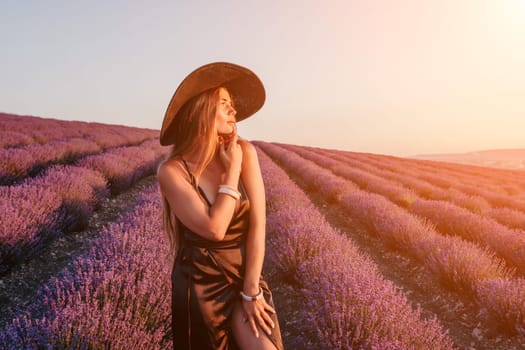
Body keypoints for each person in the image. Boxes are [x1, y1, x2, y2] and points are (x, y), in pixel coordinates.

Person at [157, 62, 284, 350]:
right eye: (224, 103)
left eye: (232, 104)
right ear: (202, 110)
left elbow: (258, 225)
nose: (234, 111)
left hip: (244, 274)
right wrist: (232, 170)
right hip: (200, 283)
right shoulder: (172, 171)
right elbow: (214, 228)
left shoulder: (246, 151)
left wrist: (251, 290)